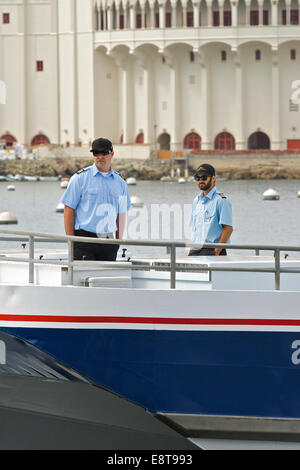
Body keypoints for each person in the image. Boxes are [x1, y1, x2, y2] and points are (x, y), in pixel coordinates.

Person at [61, 137, 131, 261]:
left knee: (106, 280)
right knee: (83, 279)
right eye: (96, 153)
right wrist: (71, 241)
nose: (100, 156)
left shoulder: (120, 183)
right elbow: (68, 209)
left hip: (108, 242)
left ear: (112, 154)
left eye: (104, 153)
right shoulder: (79, 179)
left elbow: (122, 213)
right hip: (84, 241)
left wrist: (118, 241)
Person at [189, 163, 233, 256]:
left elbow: (228, 229)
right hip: (195, 250)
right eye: (198, 178)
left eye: (204, 177)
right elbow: (194, 229)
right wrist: (191, 249)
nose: (200, 180)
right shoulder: (196, 201)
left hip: (212, 250)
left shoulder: (221, 200)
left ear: (213, 178)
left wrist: (216, 251)